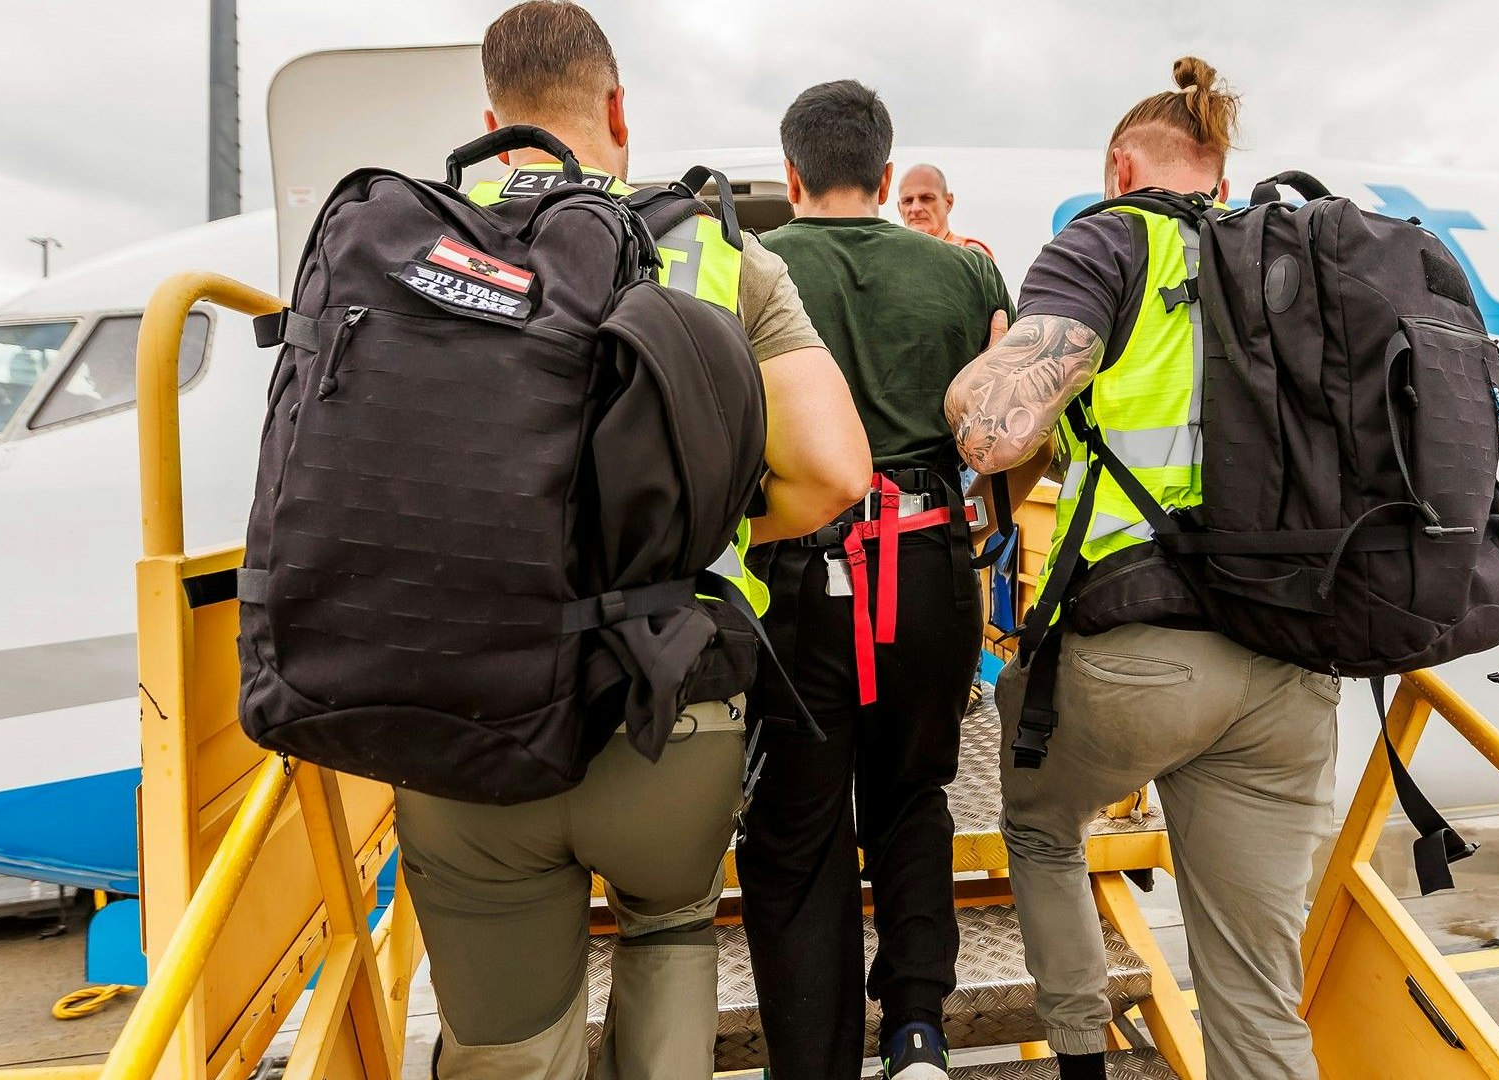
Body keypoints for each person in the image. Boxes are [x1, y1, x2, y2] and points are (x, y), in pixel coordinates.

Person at [391, 5, 871, 1079]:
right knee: (667, 929)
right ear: (615, 108)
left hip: (459, 717)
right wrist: (698, 517)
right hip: (666, 710)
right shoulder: (712, 250)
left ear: (490, 121)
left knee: (506, 1043)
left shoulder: (404, 236)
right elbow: (838, 470)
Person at [945, 58, 1337, 1080]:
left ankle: (1080, 1055)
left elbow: (995, 435)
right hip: (1298, 669)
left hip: (1142, 655)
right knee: (1258, 995)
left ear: (1124, 164)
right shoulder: (1301, 256)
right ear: (1220, 165)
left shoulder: (1115, 235)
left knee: (1036, 825)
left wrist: (984, 369)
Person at [737, 80, 1012, 1080]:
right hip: (932, 568)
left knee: (796, 830)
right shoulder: (963, 275)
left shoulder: (747, 267)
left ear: (792, 172)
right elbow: (1008, 439)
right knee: (912, 797)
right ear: (888, 175)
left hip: (793, 582)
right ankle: (916, 1035)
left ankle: (813, 1064)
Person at [898, 163, 996, 261]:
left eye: (926, 198)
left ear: (948, 202)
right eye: (907, 201)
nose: (915, 208)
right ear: (899, 208)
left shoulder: (970, 255)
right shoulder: (894, 257)